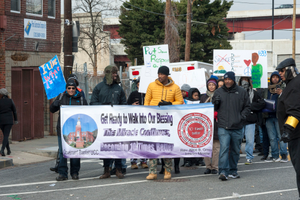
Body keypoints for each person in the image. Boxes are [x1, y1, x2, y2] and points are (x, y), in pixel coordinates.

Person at [144, 65, 184, 180]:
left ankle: (167, 170)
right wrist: (147, 115)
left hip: (167, 120)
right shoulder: (151, 85)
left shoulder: (175, 87)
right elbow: (146, 101)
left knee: (166, 145)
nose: (160, 76)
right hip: (153, 119)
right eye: (159, 74)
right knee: (152, 145)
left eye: (162, 74)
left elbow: (180, 101)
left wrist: (170, 104)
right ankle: (152, 171)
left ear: (167, 75)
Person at [90, 65, 127, 179]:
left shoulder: (119, 88)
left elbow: (124, 103)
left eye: (116, 73)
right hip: (103, 122)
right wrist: (104, 107)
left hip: (116, 122)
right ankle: (106, 170)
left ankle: (118, 169)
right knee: (106, 146)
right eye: (114, 73)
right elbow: (92, 103)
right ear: (108, 74)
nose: (116, 75)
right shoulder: (99, 88)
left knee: (118, 145)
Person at [212, 71, 250, 181]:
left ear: (234, 80)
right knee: (224, 149)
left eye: (229, 79)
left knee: (235, 150)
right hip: (223, 126)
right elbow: (214, 108)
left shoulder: (242, 92)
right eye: (226, 79)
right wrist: (215, 102)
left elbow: (247, 107)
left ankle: (233, 170)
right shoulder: (218, 92)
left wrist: (241, 117)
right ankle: (223, 171)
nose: (227, 81)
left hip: (237, 126)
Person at [50, 79, 88, 181]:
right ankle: (63, 174)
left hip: (76, 129)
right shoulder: (61, 97)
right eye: (69, 88)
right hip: (62, 129)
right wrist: (56, 103)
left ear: (76, 88)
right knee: (63, 152)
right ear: (66, 88)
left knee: (75, 151)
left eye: (73, 88)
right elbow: (52, 109)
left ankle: (75, 172)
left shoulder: (81, 99)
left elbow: (87, 114)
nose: (71, 90)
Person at [276, 58, 300, 198]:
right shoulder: (292, 84)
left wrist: (287, 130)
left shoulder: (294, 85)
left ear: (291, 69)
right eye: (279, 71)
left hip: (296, 136)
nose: (280, 73)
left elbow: (295, 111)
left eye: (283, 70)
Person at [238, 77, 265, 165]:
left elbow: (262, 103)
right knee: (238, 139)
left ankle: (249, 157)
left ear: (249, 82)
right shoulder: (237, 93)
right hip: (240, 119)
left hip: (250, 120)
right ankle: (236, 156)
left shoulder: (254, 93)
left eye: (246, 80)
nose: (244, 82)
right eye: (243, 80)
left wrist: (250, 106)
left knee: (249, 140)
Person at [263, 71, 288, 163]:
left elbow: (287, 100)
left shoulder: (283, 87)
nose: (275, 79)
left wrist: (281, 93)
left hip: (279, 116)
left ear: (279, 78)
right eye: (273, 77)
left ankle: (284, 155)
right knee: (272, 137)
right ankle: (274, 155)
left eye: (276, 77)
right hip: (268, 115)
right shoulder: (267, 89)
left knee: (281, 136)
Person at [127, 78, 148, 169]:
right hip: (135, 121)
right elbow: (126, 106)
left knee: (144, 141)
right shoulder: (133, 94)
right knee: (134, 141)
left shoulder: (148, 94)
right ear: (137, 85)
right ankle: (133, 161)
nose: (140, 86)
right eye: (139, 84)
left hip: (146, 121)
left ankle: (144, 160)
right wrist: (132, 105)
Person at [200, 78, 220, 175]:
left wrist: (217, 113)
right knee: (205, 147)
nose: (211, 86)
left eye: (213, 85)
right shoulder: (203, 97)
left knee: (216, 147)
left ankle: (215, 167)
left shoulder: (219, 95)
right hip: (205, 125)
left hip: (216, 123)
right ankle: (208, 166)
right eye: (209, 85)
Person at [0, 88, 18, 156]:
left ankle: (8, 150)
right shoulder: (10, 101)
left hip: (1, 121)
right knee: (6, 135)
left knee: (5, 135)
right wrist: (16, 119)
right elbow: (14, 111)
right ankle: (2, 150)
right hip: (9, 120)